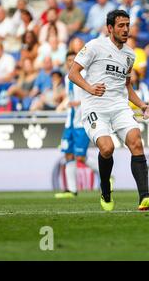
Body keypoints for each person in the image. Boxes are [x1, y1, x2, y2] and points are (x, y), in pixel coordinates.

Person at [68, 9, 149, 212]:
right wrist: (90, 88)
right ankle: (105, 188)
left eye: (127, 25)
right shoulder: (94, 46)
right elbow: (73, 73)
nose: (126, 29)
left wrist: (142, 105)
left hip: (119, 106)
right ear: (110, 28)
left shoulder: (129, 54)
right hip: (95, 107)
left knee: (136, 141)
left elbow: (127, 86)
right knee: (107, 148)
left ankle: (144, 197)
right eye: (121, 25)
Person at [55, 52, 93, 199]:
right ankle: (72, 190)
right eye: (68, 60)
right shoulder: (67, 78)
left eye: (73, 60)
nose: (70, 63)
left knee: (80, 157)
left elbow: (92, 96)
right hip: (69, 122)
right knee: (68, 154)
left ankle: (109, 175)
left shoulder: (83, 75)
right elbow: (70, 98)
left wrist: (79, 103)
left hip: (81, 122)